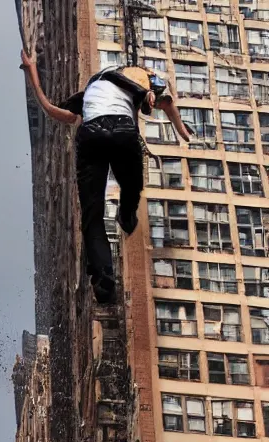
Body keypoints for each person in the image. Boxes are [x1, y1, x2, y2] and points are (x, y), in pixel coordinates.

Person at [20, 50, 192, 303]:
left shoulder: (90, 93)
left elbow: (51, 110)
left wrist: (31, 71)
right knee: (131, 181)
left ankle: (103, 282)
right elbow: (163, 101)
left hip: (90, 136)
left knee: (92, 216)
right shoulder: (134, 75)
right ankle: (127, 211)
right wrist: (180, 129)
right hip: (122, 130)